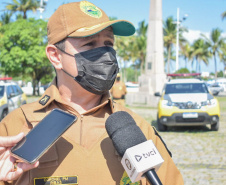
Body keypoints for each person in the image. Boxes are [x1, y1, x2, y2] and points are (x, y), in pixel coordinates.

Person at [0, 1, 184, 185]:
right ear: (55, 56)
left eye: (108, 43)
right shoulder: (16, 126)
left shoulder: (135, 127)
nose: (104, 54)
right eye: (89, 44)